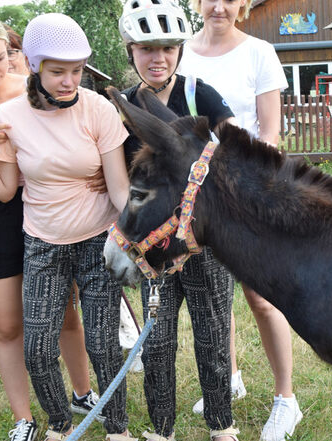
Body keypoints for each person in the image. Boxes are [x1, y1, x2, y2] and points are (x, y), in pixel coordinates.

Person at [0, 13, 131, 441]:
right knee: (36, 349)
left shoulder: (99, 109)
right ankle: (58, 425)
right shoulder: (10, 114)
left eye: (76, 71)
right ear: (33, 65)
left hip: (97, 241)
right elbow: (3, 190)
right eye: (57, 72)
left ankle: (118, 428)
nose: (69, 81)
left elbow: (120, 189)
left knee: (105, 346)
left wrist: (134, 240)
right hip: (42, 244)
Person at [179, 1, 301, 440]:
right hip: (198, 199)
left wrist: (242, 180)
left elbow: (271, 132)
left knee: (262, 298)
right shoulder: (182, 52)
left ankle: (286, 399)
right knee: (215, 299)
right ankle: (229, 376)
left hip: (246, 194)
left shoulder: (259, 53)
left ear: (243, 5)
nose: (219, 6)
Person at [117, 1, 238, 440]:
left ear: (180, 51)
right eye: (147, 48)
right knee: (159, 340)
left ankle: (222, 425)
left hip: (202, 240)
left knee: (212, 336)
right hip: (153, 244)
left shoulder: (198, 95)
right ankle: (162, 429)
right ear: (131, 51)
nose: (158, 58)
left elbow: (232, 156)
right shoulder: (124, 107)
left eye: (168, 48)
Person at [0, 29, 101, 406]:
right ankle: (27, 416)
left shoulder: (63, 89)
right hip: (9, 218)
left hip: (55, 215)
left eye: (1, 56)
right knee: (15, 328)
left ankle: (82, 393)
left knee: (67, 315)